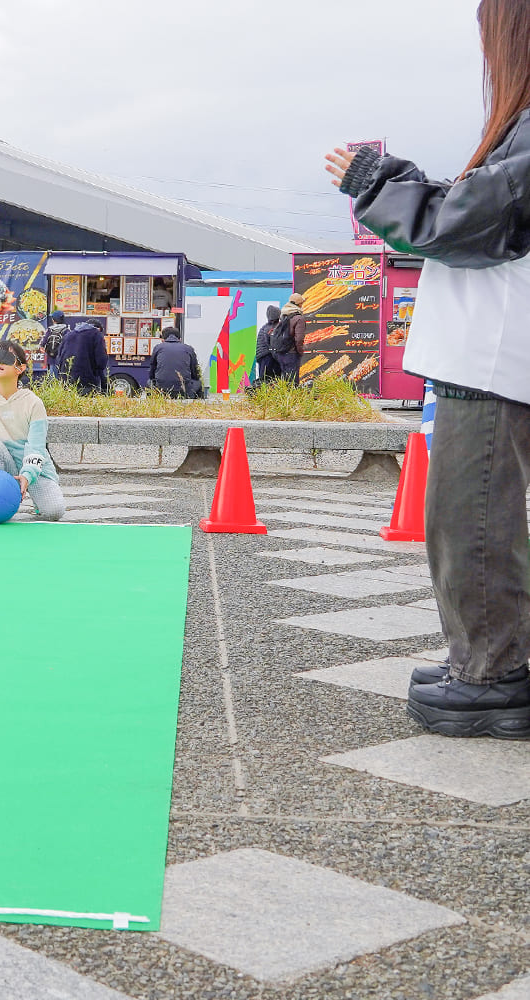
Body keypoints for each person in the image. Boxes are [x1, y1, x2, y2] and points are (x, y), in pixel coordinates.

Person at [330, 0, 530, 741]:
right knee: (475, 519)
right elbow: (475, 204)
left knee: (470, 520)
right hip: (493, 354)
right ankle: (489, 660)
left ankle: (493, 673)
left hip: (494, 358)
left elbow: (465, 224)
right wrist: (403, 178)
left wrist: (378, 186)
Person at [0, 342, 66, 521]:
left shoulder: (33, 403)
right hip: (3, 466)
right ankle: (0, 499)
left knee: (55, 511)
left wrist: (28, 474)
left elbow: (36, 446)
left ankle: (35, 498)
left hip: (33, 469)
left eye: (6, 358)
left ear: (20, 368)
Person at [55, 318, 109, 394]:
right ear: (98, 328)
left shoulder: (69, 335)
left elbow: (59, 358)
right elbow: (101, 362)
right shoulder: (96, 334)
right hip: (87, 381)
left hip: (66, 379)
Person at [148, 327, 203, 398]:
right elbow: (194, 371)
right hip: (184, 389)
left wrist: (154, 378)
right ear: (180, 339)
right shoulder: (188, 349)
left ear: (162, 340)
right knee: (198, 383)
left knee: (150, 382)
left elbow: (152, 369)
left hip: (161, 388)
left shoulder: (158, 348)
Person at [272, 293, 304, 382]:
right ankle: (293, 396)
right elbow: (299, 338)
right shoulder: (298, 318)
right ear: (299, 304)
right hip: (291, 353)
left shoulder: (284, 315)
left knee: (285, 380)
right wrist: (300, 351)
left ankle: (285, 396)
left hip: (281, 353)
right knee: (293, 381)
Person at [253, 305, 282, 384]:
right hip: (268, 356)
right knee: (271, 379)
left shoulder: (265, 327)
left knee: (264, 378)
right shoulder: (273, 328)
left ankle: (262, 394)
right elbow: (273, 345)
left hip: (262, 356)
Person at [40, 310, 69, 377]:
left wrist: (47, 350)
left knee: (52, 376)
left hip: (52, 358)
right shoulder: (66, 330)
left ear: (53, 320)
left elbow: (42, 343)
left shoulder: (50, 330)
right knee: (63, 377)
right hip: (62, 358)